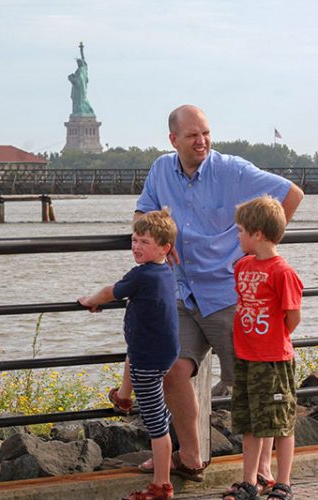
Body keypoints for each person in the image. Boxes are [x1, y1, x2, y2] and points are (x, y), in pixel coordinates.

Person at [109, 105, 304, 485]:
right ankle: (191, 456)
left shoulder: (231, 169)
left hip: (230, 295)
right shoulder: (160, 170)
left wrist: (257, 250)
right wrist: (160, 239)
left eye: (206, 133)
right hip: (181, 291)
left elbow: (291, 195)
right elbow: (140, 215)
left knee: (250, 385)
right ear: (173, 140)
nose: (201, 142)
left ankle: (263, 471)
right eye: (192, 136)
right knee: (172, 370)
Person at [79, 210, 179, 500]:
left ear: (164, 248)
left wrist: (90, 300)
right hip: (159, 352)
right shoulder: (164, 271)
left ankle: (162, 486)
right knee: (133, 359)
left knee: (156, 423)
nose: (136, 246)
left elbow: (112, 291)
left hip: (148, 360)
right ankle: (124, 396)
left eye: (144, 242)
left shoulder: (143, 274)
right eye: (134, 240)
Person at [222, 196, 302, 500]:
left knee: (280, 422)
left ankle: (283, 481)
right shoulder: (242, 266)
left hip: (272, 361)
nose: (238, 236)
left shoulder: (283, 272)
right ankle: (249, 481)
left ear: (258, 234)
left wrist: (271, 339)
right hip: (246, 357)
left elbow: (292, 316)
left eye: (241, 230)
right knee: (249, 421)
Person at [68, 42, 95, 116]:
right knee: (77, 100)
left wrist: (81, 50)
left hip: (81, 88)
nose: (78, 64)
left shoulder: (83, 69)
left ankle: (81, 110)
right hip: (77, 89)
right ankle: (78, 111)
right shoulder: (80, 70)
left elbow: (83, 58)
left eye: (79, 62)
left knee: (81, 100)